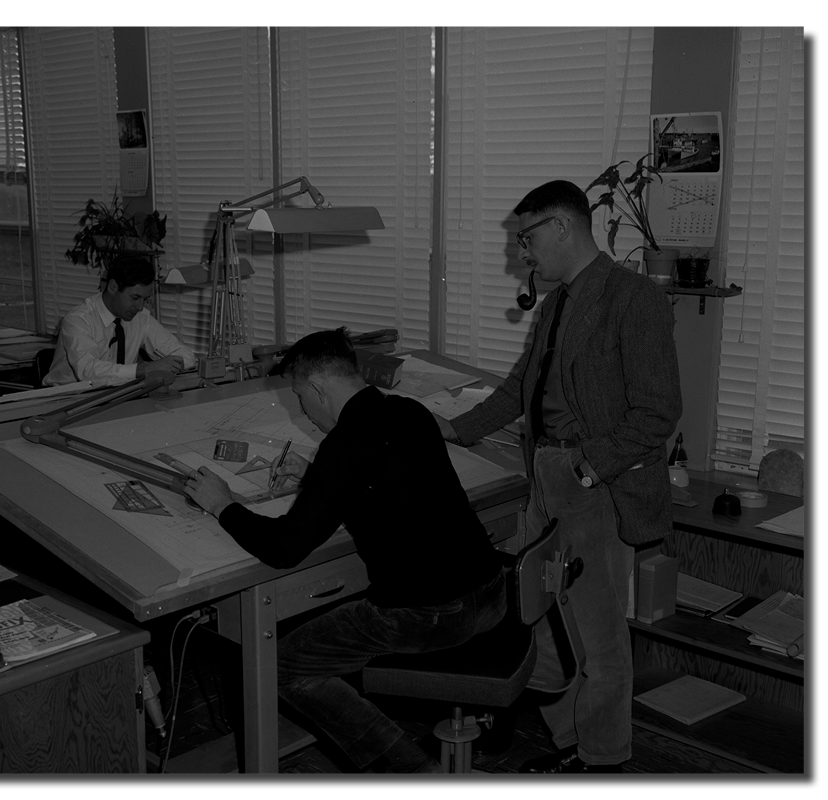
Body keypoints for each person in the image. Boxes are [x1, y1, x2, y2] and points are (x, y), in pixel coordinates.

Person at [437, 180, 682, 773]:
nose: (523, 252)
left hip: (592, 484)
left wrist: (587, 470)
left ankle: (602, 763)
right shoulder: (554, 304)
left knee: (598, 641)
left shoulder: (633, 298)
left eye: (528, 237)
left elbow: (658, 411)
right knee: (540, 625)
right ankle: (574, 740)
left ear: (563, 227)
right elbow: (521, 388)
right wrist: (451, 429)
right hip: (547, 478)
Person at [183, 327, 506, 774]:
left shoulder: (344, 447)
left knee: (283, 666)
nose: (305, 413)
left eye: (300, 399)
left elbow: (284, 548)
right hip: (491, 592)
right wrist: (319, 477)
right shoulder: (412, 412)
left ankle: (412, 770)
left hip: (428, 615)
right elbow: (393, 477)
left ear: (317, 387)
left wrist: (223, 505)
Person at [44, 255, 195, 387]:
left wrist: (169, 363)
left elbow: (187, 356)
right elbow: (88, 371)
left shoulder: (140, 318)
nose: (140, 306)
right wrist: (143, 369)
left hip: (116, 397)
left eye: (145, 299)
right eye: (135, 298)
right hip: (65, 398)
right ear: (113, 286)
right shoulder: (78, 320)